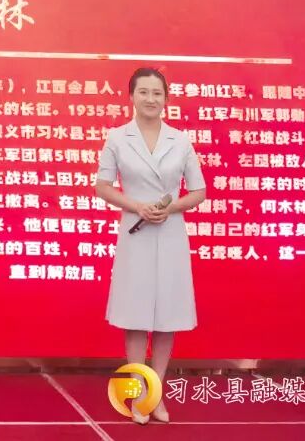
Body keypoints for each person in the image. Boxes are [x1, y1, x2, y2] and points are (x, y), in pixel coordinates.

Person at [94, 67, 207, 425]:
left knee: (166, 317)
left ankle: (155, 393)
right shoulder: (117, 138)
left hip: (170, 234)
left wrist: (170, 208)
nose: (150, 99)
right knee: (135, 316)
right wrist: (137, 206)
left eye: (157, 93)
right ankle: (139, 392)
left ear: (166, 99)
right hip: (136, 233)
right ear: (131, 96)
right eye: (143, 92)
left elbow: (199, 191)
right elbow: (102, 186)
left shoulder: (181, 140)